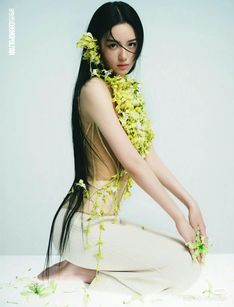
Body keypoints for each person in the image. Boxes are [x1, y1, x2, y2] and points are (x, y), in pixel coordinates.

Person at [37, 1, 208, 298]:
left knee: (189, 263)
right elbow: (131, 162)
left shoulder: (120, 88)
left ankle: (86, 270)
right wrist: (177, 218)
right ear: (97, 46)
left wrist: (191, 203)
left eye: (131, 45)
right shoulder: (94, 89)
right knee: (183, 267)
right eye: (113, 44)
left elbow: (146, 155)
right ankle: (83, 269)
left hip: (105, 227)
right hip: (84, 229)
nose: (123, 55)